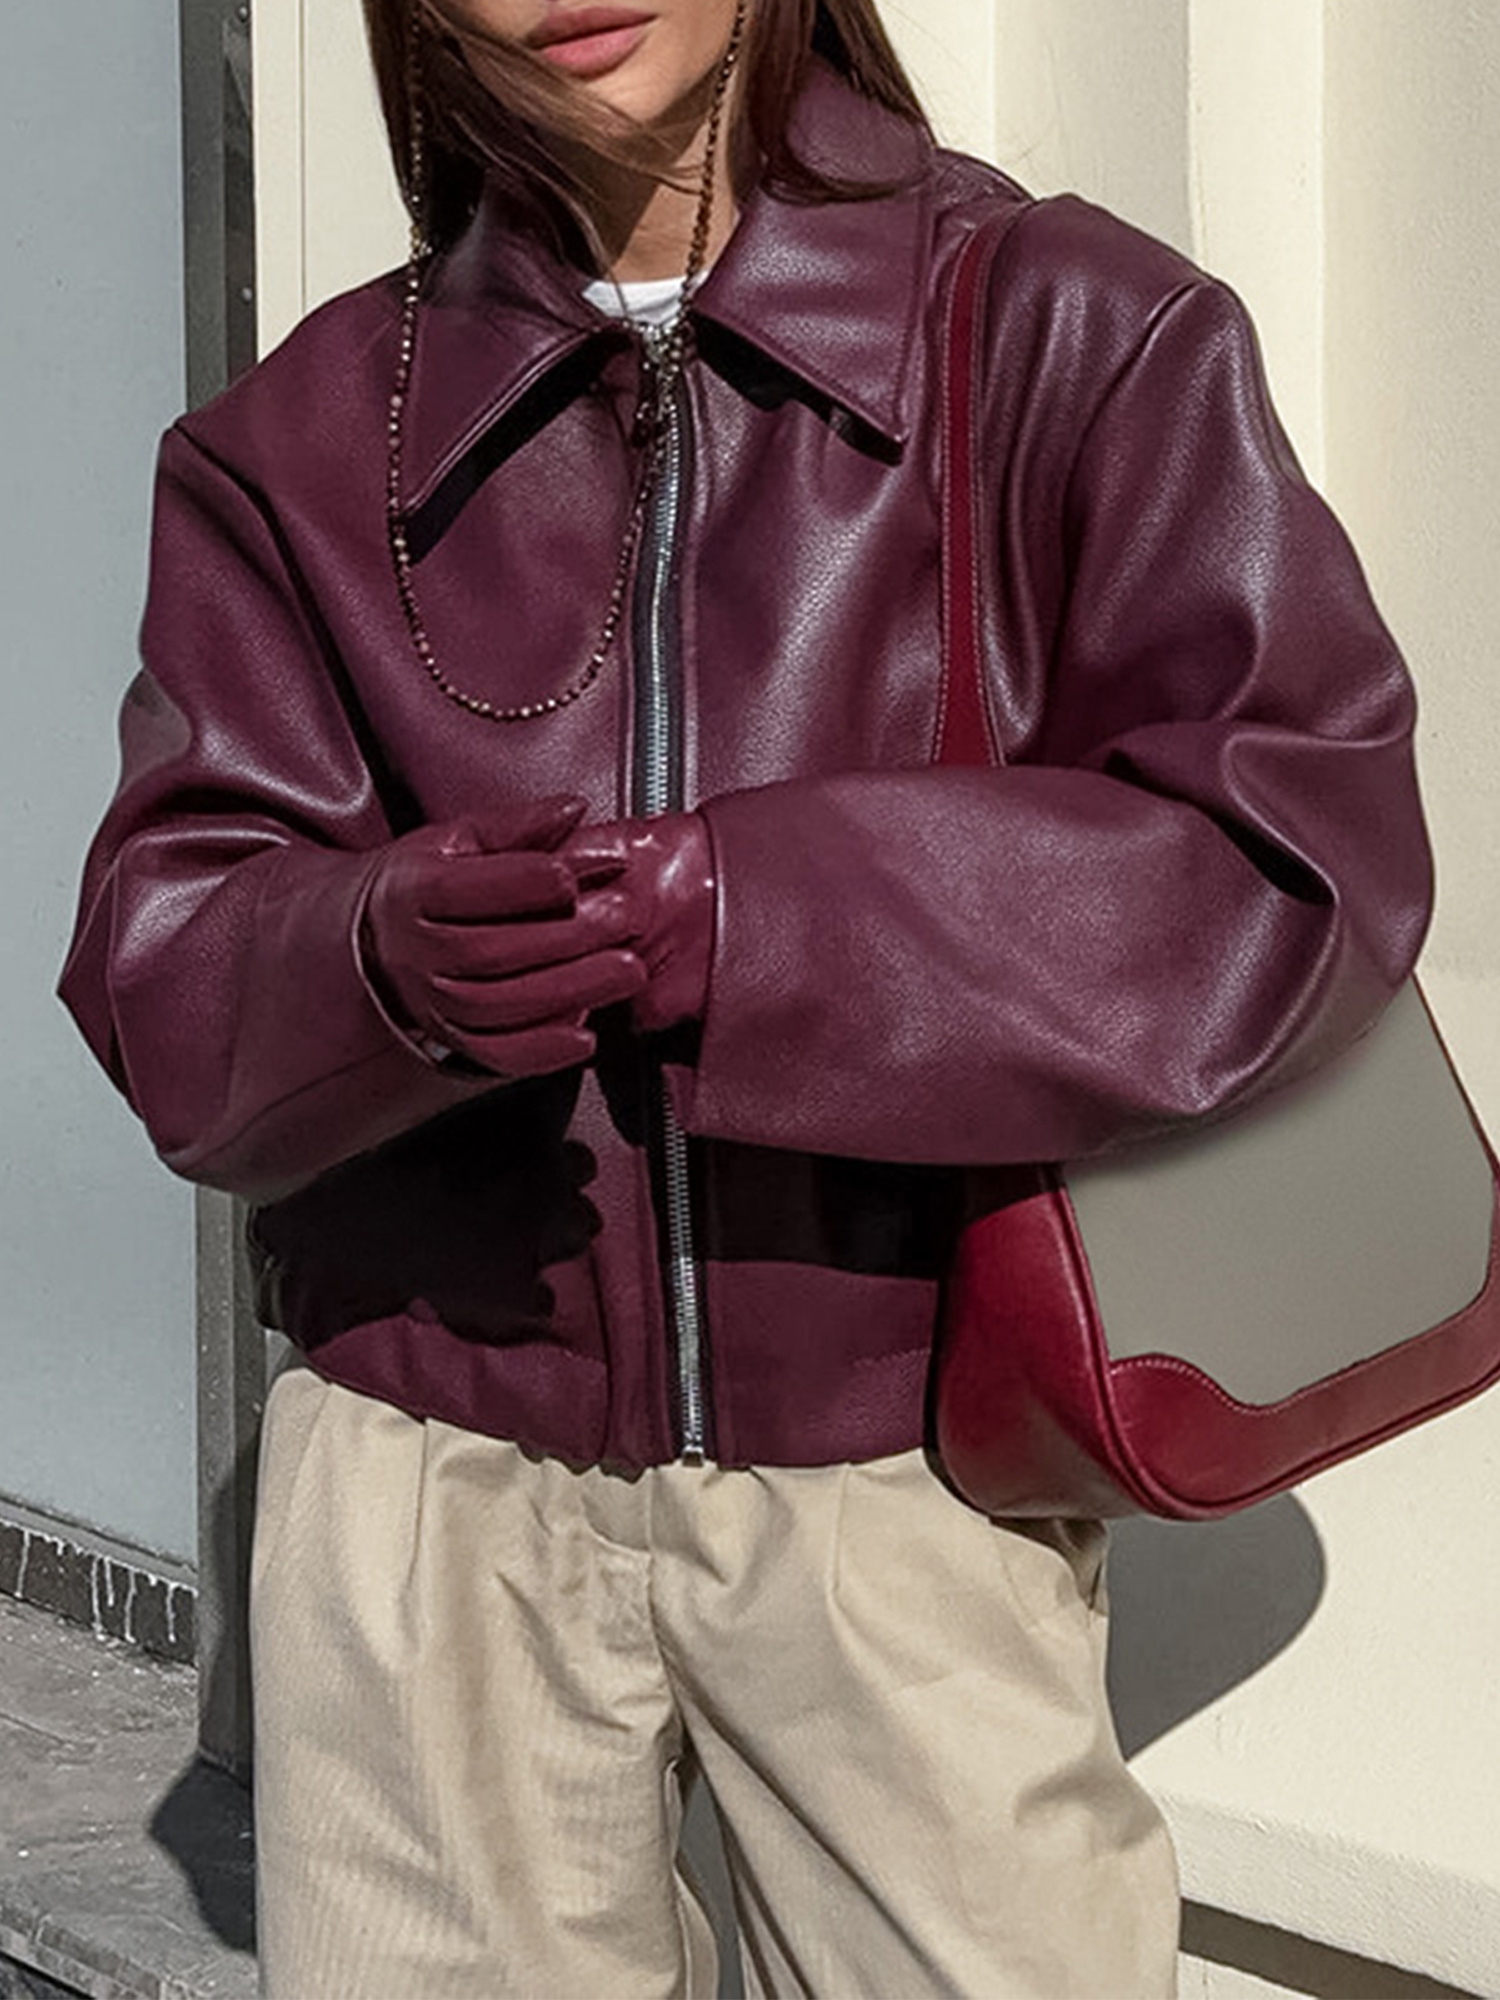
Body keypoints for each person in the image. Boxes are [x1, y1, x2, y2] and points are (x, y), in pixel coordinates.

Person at [60, 1, 1432, 1994]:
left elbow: (1295, 857)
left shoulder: (1077, 335)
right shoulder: (295, 441)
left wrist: (762, 920)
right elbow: (165, 968)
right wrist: (370, 958)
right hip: (426, 1482)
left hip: (911, 1478)